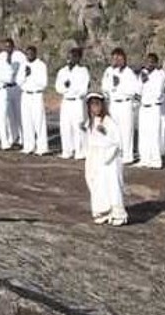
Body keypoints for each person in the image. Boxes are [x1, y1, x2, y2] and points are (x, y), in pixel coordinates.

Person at [84, 92, 128, 226]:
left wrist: (105, 135)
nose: (95, 108)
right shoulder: (91, 122)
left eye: (97, 105)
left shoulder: (109, 122)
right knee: (97, 184)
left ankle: (118, 213)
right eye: (92, 105)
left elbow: (117, 142)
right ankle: (103, 211)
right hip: (95, 158)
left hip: (109, 159)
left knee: (112, 185)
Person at [101, 48, 138, 164]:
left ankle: (127, 156)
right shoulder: (109, 71)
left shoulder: (129, 72)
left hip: (125, 103)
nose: (116, 60)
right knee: (114, 131)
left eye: (119, 58)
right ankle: (116, 154)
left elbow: (133, 90)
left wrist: (119, 85)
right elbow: (104, 87)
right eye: (114, 58)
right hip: (113, 103)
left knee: (126, 131)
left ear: (124, 59)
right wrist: (110, 89)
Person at [55, 44, 90, 160]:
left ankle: (80, 151)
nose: (70, 59)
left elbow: (83, 89)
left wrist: (71, 89)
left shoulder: (83, 71)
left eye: (74, 56)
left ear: (78, 58)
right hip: (66, 101)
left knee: (78, 126)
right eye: (69, 56)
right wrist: (66, 89)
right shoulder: (62, 71)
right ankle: (67, 151)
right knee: (65, 126)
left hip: (77, 102)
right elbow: (58, 87)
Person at [16, 45, 48, 156]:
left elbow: (43, 83)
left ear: (35, 54)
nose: (28, 56)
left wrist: (32, 74)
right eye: (27, 54)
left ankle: (42, 148)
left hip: (36, 95)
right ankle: (29, 146)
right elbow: (18, 81)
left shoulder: (41, 65)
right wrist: (25, 75)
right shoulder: (23, 65)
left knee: (38, 121)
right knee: (26, 121)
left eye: (30, 54)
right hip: (25, 95)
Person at [136, 52, 165, 169]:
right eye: (147, 62)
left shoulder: (160, 75)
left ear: (155, 63)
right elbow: (138, 91)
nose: (148, 64)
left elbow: (157, 92)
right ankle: (144, 159)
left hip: (154, 107)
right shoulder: (143, 73)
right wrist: (142, 81)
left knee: (154, 134)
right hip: (143, 106)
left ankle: (156, 161)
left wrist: (147, 81)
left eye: (151, 62)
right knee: (143, 134)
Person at [0, 38, 26, 147]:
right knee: (9, 115)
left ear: (13, 46)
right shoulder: (1, 56)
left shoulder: (20, 56)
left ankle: (23, 137)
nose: (8, 48)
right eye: (6, 46)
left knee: (19, 113)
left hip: (16, 87)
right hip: (6, 88)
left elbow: (23, 69)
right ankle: (13, 136)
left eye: (9, 46)